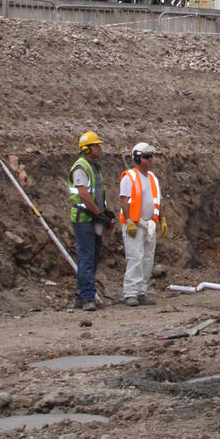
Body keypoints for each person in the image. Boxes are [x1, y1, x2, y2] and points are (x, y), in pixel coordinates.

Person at [68, 130, 113, 311]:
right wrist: (98, 213)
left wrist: (104, 211)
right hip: (84, 218)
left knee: (92, 257)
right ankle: (87, 297)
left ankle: (82, 294)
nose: (99, 148)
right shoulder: (81, 167)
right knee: (87, 257)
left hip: (92, 217)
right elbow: (84, 195)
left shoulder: (93, 166)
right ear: (87, 148)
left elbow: (97, 193)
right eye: (96, 145)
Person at [120, 141, 167, 307]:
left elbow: (157, 201)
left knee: (147, 259)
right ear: (137, 158)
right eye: (146, 157)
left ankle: (141, 291)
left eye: (151, 157)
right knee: (135, 258)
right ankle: (131, 292)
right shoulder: (129, 177)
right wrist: (128, 221)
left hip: (149, 225)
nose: (150, 160)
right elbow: (124, 201)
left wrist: (161, 219)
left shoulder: (153, 178)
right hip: (134, 224)